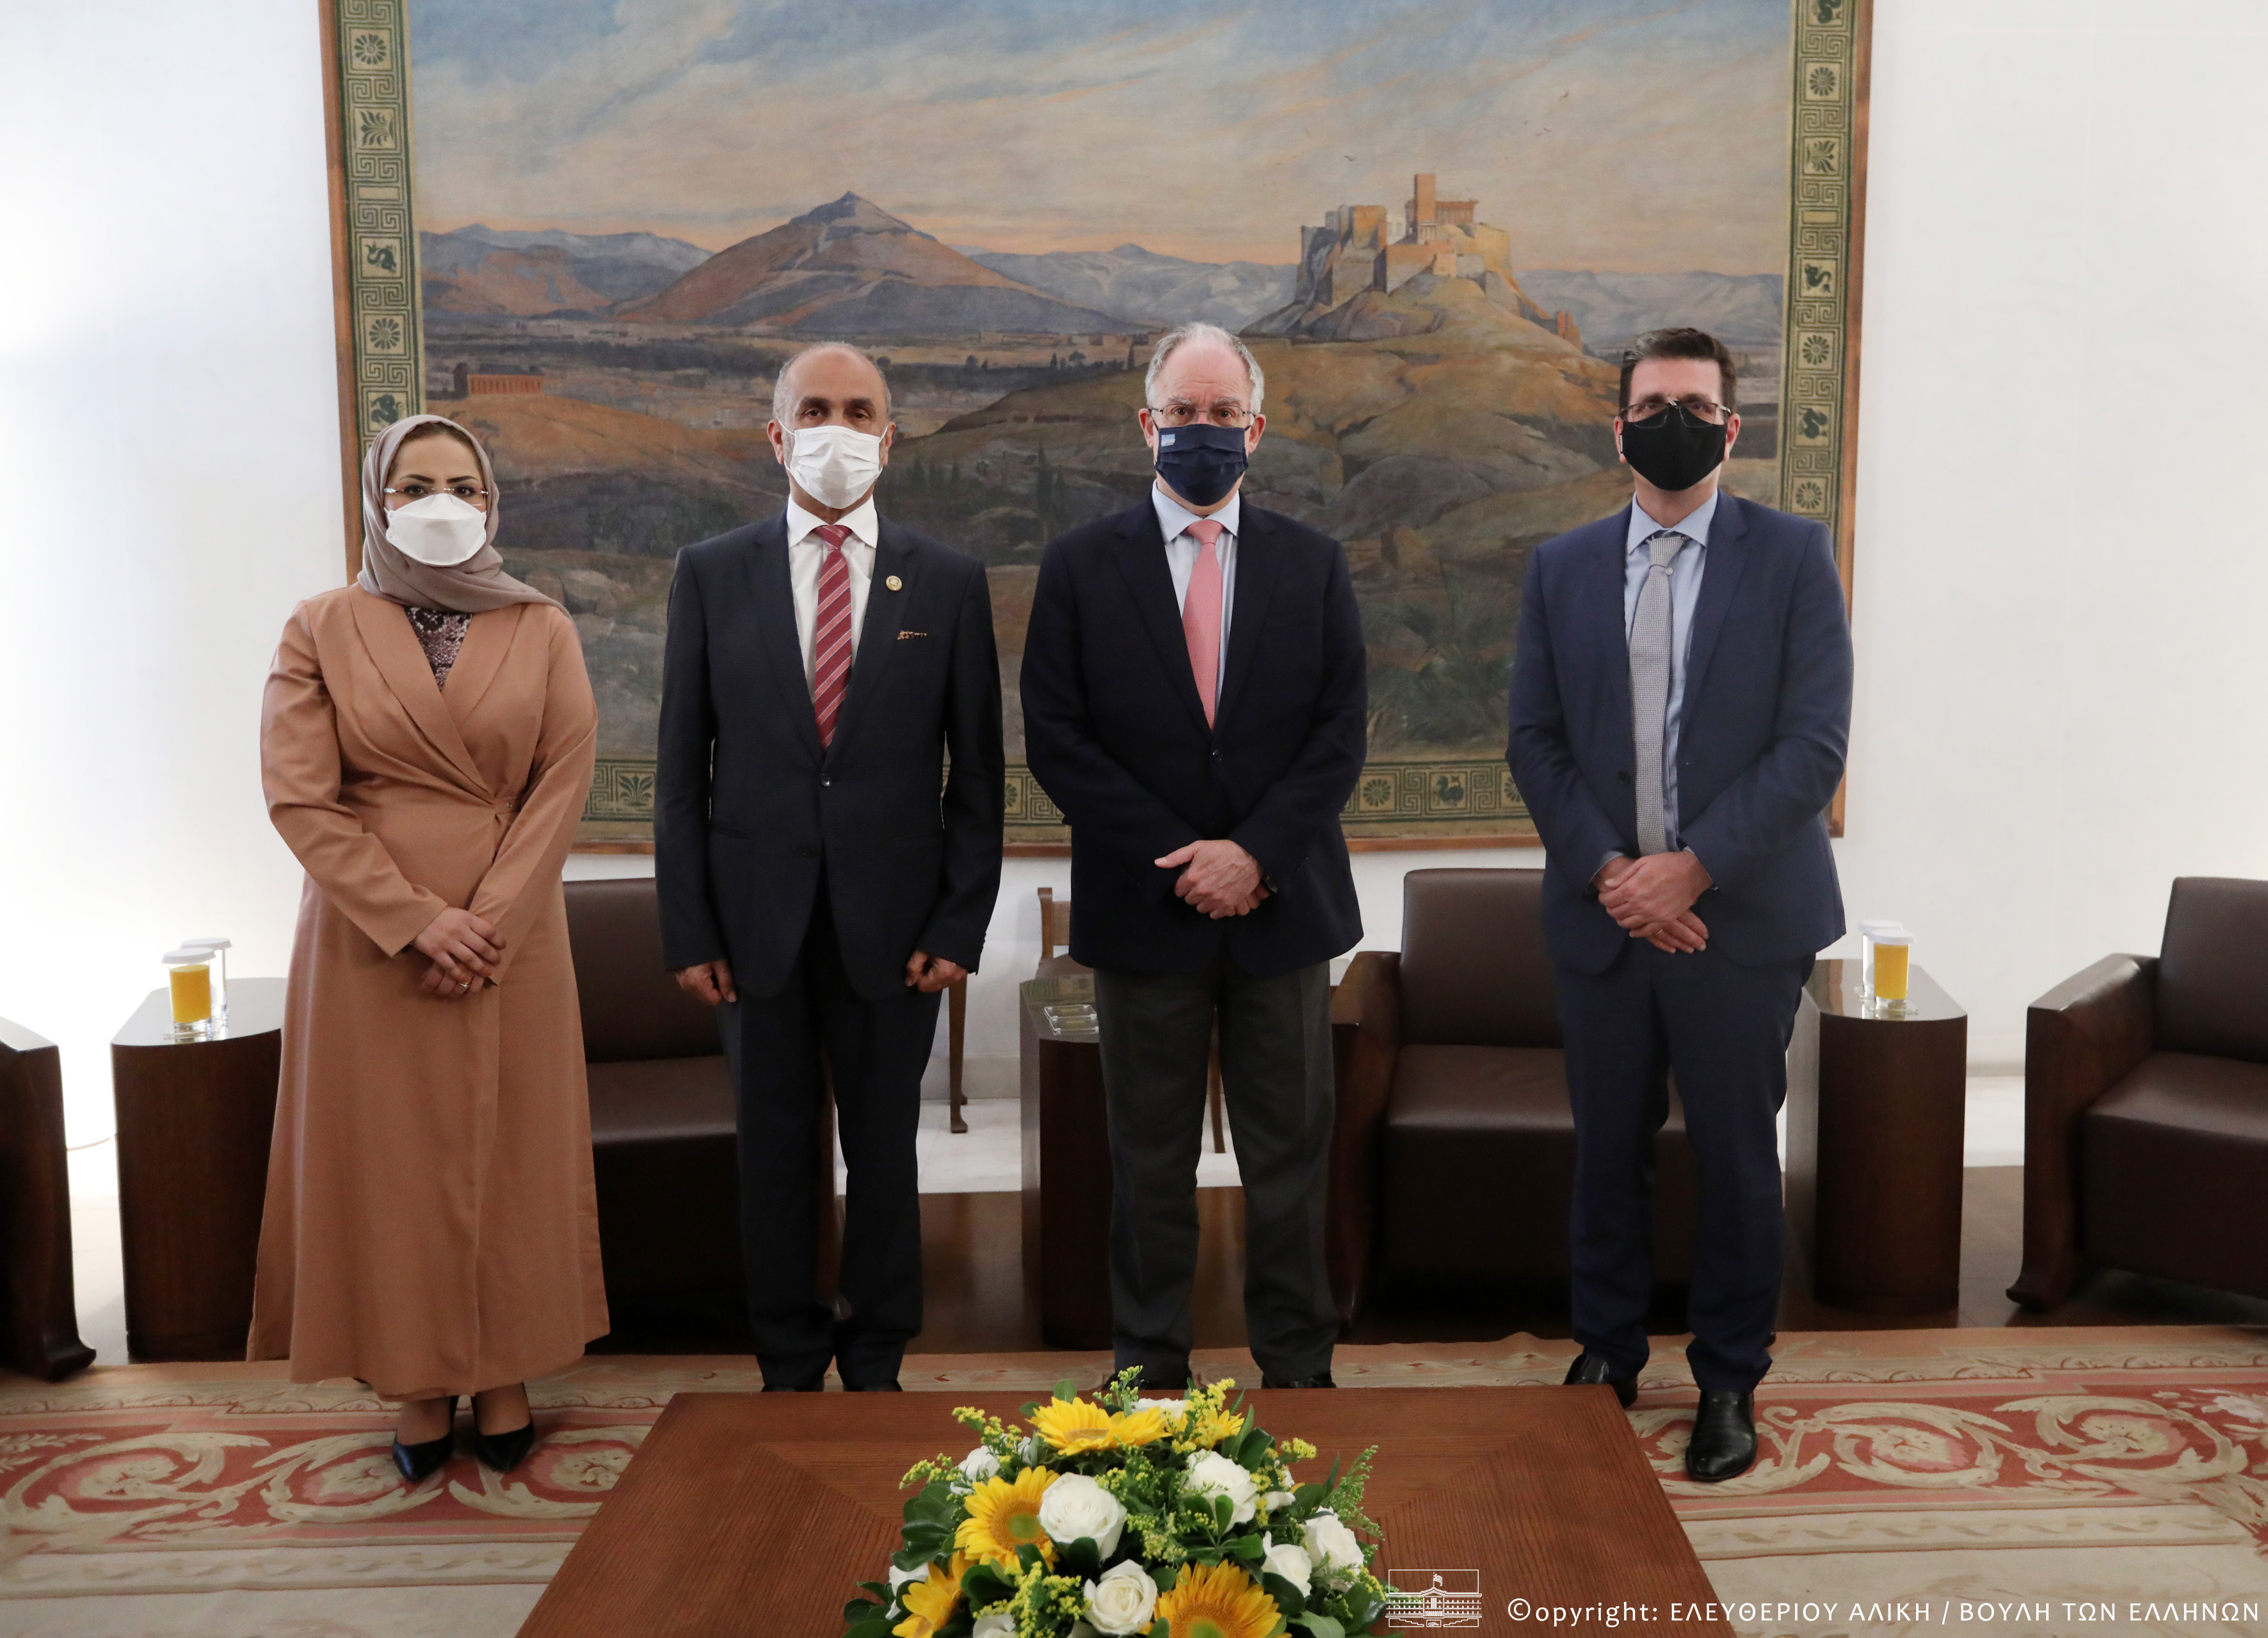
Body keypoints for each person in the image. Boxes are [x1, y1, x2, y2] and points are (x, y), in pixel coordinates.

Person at [1506, 326, 1853, 1481]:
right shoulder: (1561, 566)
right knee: (1607, 1153)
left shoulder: (1793, 556)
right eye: (1653, 405)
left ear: (1731, 427)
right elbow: (1535, 740)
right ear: (1619, 430)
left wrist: (1691, 869)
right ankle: (1607, 1354)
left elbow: (1814, 746)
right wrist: (1616, 876)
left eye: (1697, 406)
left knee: (1737, 1161)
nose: (1675, 422)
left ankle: (1729, 1382)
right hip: (1603, 919)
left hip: (1740, 923)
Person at [252, 412, 606, 1484]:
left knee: (512, 1158)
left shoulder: (542, 623)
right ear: (378, 500)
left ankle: (505, 1371)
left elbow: (564, 778)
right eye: (415, 487)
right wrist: (416, 921)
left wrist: (486, 918)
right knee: (391, 1169)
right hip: (372, 942)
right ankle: (411, 1380)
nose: (440, 504)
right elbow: (300, 798)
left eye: (463, 485)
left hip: (511, 935)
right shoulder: (320, 624)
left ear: (493, 503)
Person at [1020, 321, 1367, 1393]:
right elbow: (1057, 738)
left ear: (1255, 431)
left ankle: (1299, 1369)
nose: (1202, 430)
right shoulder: (1081, 566)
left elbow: (1338, 734)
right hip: (1144, 911)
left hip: (1284, 909)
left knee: (1289, 1159)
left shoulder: (1313, 563)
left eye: (1223, 414)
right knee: (1150, 1162)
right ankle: (1150, 1376)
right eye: (1183, 412)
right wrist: (1186, 858)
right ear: (1148, 424)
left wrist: (1253, 854)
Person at [655, 342, 1003, 1392]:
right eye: (815, 410)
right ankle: (789, 1357)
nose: (837, 429)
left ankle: (880, 1352)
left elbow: (978, 777)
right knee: (773, 1152)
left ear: (889, 441)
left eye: (859, 412)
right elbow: (680, 773)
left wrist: (958, 924)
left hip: (895, 931)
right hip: (752, 927)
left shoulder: (949, 581)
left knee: (886, 1150)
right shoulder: (712, 573)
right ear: (777, 435)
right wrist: (691, 930)